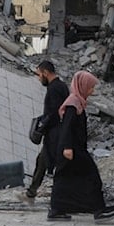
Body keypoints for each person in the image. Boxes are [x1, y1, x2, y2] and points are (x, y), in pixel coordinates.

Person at [47, 70, 114, 223]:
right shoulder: (73, 104)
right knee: (92, 176)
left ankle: (57, 210)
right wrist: (67, 147)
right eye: (90, 87)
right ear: (82, 86)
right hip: (71, 149)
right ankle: (99, 210)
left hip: (74, 148)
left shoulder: (78, 102)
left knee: (64, 179)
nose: (92, 91)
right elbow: (66, 127)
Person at [25, 60, 69, 198]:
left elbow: (53, 113)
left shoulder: (54, 89)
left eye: (39, 75)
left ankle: (35, 192)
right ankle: (32, 191)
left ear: (45, 72)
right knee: (43, 161)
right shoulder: (61, 86)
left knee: (46, 161)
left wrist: (42, 126)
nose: (39, 79)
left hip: (55, 133)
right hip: (59, 132)